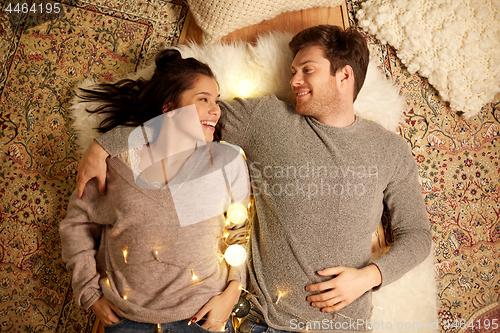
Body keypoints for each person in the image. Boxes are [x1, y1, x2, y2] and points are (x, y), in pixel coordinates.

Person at [75, 26, 431, 332]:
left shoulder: (390, 150)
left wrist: (369, 277)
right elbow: (185, 119)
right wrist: (107, 143)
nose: (294, 80)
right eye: (293, 71)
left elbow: (417, 235)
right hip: (261, 320)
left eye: (307, 70)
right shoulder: (265, 118)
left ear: (344, 76)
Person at [60, 49, 251, 333]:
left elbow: (241, 232)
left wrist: (232, 293)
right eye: (203, 99)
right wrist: (90, 294)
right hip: (126, 318)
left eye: (216, 100)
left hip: (204, 316)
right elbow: (76, 226)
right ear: (169, 108)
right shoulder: (113, 163)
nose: (216, 110)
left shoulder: (227, 162)